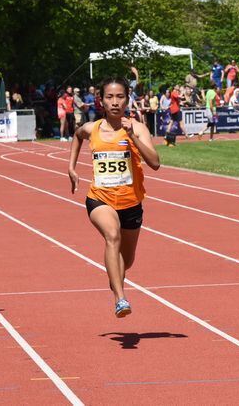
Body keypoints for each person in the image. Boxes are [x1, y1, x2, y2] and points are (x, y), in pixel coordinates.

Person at [68, 77, 160, 317]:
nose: (115, 102)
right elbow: (77, 136)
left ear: (127, 99)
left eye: (120, 97)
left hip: (131, 203)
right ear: (101, 101)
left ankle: (116, 279)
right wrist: (71, 167)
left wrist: (133, 137)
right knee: (112, 235)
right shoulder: (92, 128)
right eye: (109, 97)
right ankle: (120, 298)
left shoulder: (137, 128)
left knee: (126, 262)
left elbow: (155, 163)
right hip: (100, 199)